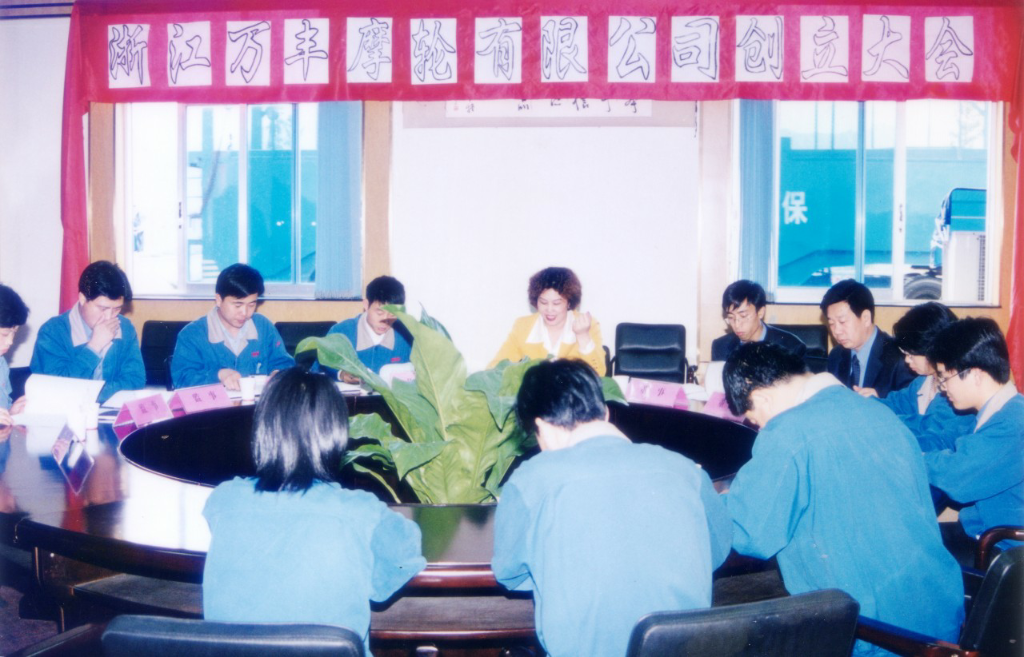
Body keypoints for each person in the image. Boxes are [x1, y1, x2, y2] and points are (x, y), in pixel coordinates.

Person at [722, 343, 964, 654]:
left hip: (872, 633)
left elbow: (750, 534)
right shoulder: (880, 413)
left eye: (755, 419)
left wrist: (715, 499)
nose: (760, 427)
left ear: (761, 397)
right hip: (938, 618)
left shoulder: (787, 430)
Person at [492, 359, 731, 657]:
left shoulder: (531, 479)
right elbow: (718, 550)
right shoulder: (686, 470)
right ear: (605, 412)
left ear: (542, 427)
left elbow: (509, 573)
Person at [202, 367, 426, 653]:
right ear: (335, 433)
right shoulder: (361, 511)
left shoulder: (224, 499)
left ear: (262, 429)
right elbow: (400, 563)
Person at [924, 318, 1024, 558]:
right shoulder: (996, 411)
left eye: (944, 378)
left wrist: (910, 457)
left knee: (904, 553)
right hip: (982, 531)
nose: (942, 388)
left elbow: (957, 478)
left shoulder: (1012, 424)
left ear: (976, 375)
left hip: (1002, 548)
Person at [30, 261, 145, 403]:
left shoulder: (125, 327)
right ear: (83, 298)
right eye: (103, 308)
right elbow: (58, 389)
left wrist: (90, 394)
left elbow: (135, 380)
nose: (109, 317)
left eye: (116, 309)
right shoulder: (52, 332)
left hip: (110, 411)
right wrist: (94, 346)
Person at [869, 302, 975, 452]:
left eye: (911, 355)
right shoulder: (922, 383)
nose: (907, 360)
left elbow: (936, 441)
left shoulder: (959, 393)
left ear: (933, 351)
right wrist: (866, 403)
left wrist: (885, 428)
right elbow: (895, 403)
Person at [171, 264, 294, 390]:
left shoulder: (263, 327)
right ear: (219, 300)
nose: (244, 312)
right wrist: (219, 375)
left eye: (251, 305)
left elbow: (284, 363)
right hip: (215, 403)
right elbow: (181, 379)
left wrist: (278, 374)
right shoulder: (192, 334)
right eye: (237, 305)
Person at [489, 267, 606, 375]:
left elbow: (598, 374)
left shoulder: (588, 325)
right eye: (543, 302)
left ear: (569, 302)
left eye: (556, 303)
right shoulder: (523, 326)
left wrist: (583, 336)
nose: (549, 309)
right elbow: (496, 367)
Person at [821, 279, 914, 398]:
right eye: (831, 323)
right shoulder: (836, 356)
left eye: (842, 321)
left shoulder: (900, 358)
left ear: (866, 318)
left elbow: (911, 405)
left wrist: (882, 401)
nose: (836, 331)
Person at [320, 275, 412, 382]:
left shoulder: (406, 336)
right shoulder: (341, 332)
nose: (385, 319)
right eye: (379, 312)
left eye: (392, 313)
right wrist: (341, 374)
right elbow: (322, 365)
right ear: (366, 305)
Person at [710, 280, 806, 361]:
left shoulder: (791, 347)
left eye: (743, 316)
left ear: (760, 312)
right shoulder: (720, 347)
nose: (737, 325)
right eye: (731, 317)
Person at [0, 284, 29, 426]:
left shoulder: (1, 364)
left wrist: (11, 413)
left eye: (14, 333)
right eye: (5, 334)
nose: (10, 341)